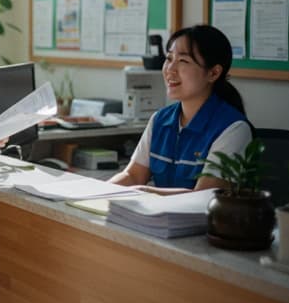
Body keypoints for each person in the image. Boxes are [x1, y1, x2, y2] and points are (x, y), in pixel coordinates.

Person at [108, 24, 252, 196]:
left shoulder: (233, 128)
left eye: (183, 61)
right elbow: (132, 175)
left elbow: (204, 197)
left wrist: (145, 191)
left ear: (213, 73)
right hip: (159, 219)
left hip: (205, 222)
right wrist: (96, 192)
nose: (170, 69)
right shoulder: (160, 120)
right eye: (169, 59)